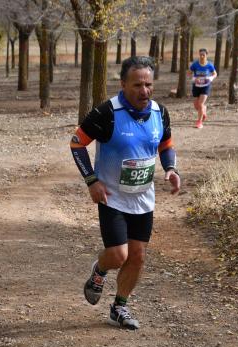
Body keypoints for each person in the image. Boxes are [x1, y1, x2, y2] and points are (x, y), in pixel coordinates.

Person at [69, 56, 181, 330]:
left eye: (148, 84)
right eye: (137, 85)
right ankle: (99, 270)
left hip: (143, 197)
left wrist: (171, 167)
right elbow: (77, 144)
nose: (144, 91)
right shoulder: (107, 113)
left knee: (138, 256)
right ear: (123, 84)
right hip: (112, 197)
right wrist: (92, 181)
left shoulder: (159, 112)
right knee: (119, 255)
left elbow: (166, 144)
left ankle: (119, 306)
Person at [188, 48, 217, 129]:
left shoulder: (209, 65)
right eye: (200, 54)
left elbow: (215, 74)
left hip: (206, 86)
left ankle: (199, 122)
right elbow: (189, 73)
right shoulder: (195, 64)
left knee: (200, 104)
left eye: (203, 55)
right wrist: (193, 78)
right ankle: (203, 110)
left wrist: (211, 78)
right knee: (196, 105)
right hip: (196, 86)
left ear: (206, 55)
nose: (201, 56)